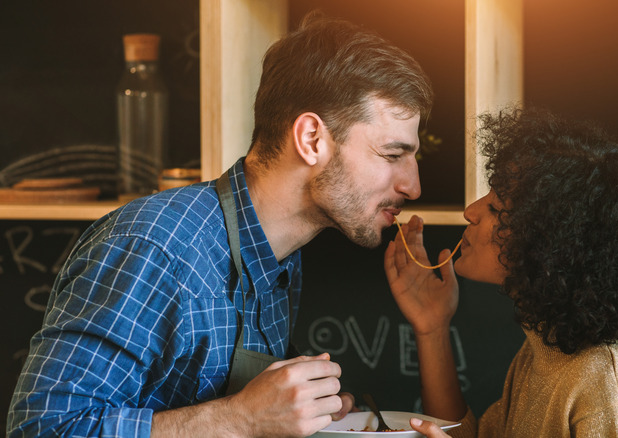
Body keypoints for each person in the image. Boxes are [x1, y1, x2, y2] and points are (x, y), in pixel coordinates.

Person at [7, 12, 433, 438]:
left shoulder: (281, 256)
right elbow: (41, 428)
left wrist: (309, 412)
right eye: (393, 155)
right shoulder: (154, 248)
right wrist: (240, 419)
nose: (412, 186)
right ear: (311, 140)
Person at [385, 106, 618, 437]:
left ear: (552, 242)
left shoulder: (612, 400)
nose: (471, 212)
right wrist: (432, 329)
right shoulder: (550, 345)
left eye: (496, 208)